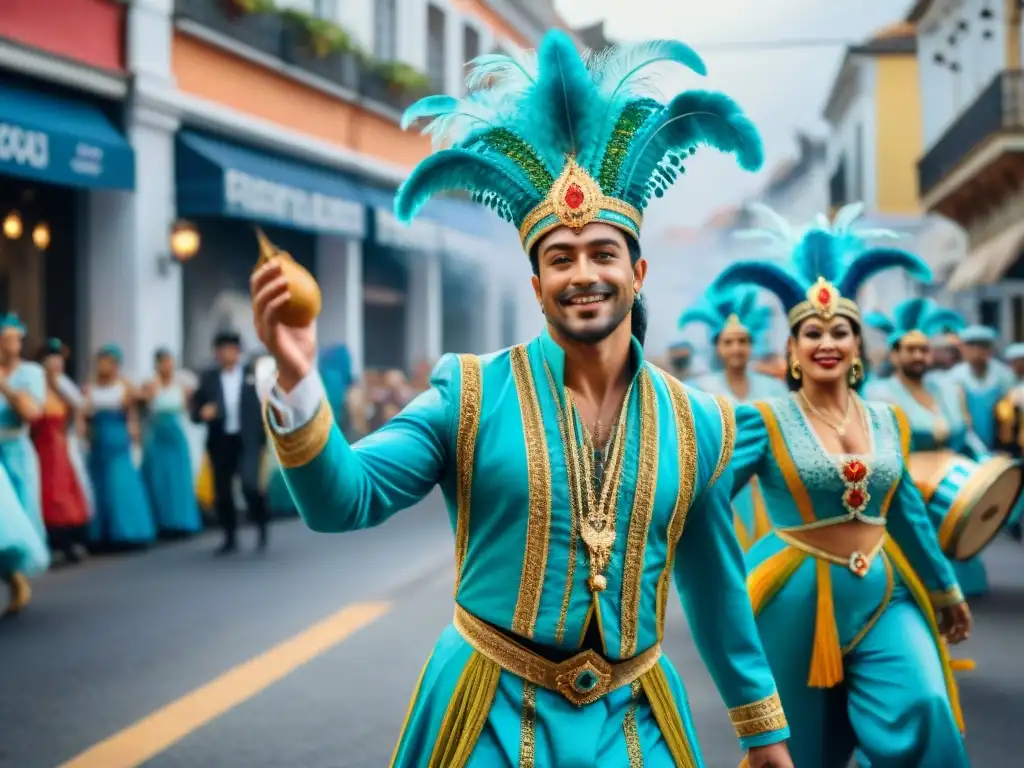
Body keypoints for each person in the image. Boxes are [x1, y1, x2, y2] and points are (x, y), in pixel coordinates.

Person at [252, 30, 793, 768]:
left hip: (632, 718)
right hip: (491, 714)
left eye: (603, 253)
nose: (583, 274)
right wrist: (295, 381)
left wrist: (763, 734)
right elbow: (341, 500)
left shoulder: (698, 424)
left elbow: (715, 588)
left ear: (637, 271)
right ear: (536, 285)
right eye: (560, 259)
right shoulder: (468, 394)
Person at [713, 203, 972, 767]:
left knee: (925, 704)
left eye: (840, 331)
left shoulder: (885, 420)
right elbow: (707, 500)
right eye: (812, 332)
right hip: (792, 598)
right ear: (793, 350)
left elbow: (906, 514)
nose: (826, 341)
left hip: (885, 589)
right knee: (803, 750)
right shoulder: (765, 419)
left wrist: (944, 587)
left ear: (858, 346)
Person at [864, 300, 1007, 598]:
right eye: (910, 349)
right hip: (908, 487)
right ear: (895, 354)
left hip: (953, 484)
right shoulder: (880, 392)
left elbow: (966, 436)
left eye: (924, 349)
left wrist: (988, 465)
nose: (918, 356)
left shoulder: (947, 389)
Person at [681, 285, 786, 551]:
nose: (736, 348)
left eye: (743, 341)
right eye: (729, 342)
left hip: (767, 484)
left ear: (751, 345)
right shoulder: (699, 389)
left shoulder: (774, 388)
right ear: (718, 347)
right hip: (720, 485)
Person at [191, 331, 268, 554]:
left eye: (231, 349)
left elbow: (267, 406)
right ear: (216, 353)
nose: (227, 354)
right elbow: (195, 411)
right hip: (220, 441)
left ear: (238, 352)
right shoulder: (208, 379)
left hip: (249, 441)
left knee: (249, 485)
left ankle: (261, 522)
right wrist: (202, 412)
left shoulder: (252, 376)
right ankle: (229, 536)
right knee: (223, 492)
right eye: (222, 349)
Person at [84, 345, 156, 550]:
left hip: (118, 436)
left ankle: (128, 531)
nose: (102, 365)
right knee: (101, 484)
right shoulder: (91, 386)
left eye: (107, 361)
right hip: (99, 438)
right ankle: (102, 532)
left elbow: (137, 406)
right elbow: (86, 412)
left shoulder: (124, 385)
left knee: (120, 483)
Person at [0, 313, 49, 612]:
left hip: (16, 452)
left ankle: (16, 579)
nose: (9, 344)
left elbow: (31, 413)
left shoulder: (30, 373)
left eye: (13, 338)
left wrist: (4, 386)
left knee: (18, 524)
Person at [31, 338, 92, 563]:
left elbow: (81, 405)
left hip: (62, 446)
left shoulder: (62, 386)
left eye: (59, 360)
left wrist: (59, 385)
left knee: (68, 491)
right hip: (42, 448)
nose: (57, 364)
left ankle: (70, 540)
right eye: (52, 360)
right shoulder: (35, 386)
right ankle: (52, 541)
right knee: (47, 493)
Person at [140, 348, 203, 538]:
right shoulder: (151, 386)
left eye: (169, 362)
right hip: (158, 434)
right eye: (163, 362)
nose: (167, 366)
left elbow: (188, 408)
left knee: (179, 478)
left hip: (176, 434)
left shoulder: (181, 385)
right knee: (158, 477)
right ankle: (162, 520)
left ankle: (181, 520)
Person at [947, 325, 1014, 450]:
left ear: (991, 349)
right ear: (963, 349)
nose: (977, 351)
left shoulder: (1004, 374)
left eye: (982, 346)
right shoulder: (955, 376)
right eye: (971, 346)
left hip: (1000, 442)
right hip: (966, 443)